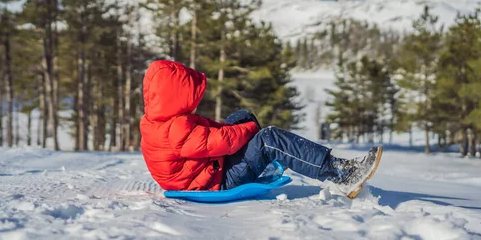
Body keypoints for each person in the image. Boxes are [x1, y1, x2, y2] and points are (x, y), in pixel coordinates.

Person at [140, 60, 382, 198]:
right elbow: (222, 141)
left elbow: (209, 132)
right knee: (268, 137)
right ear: (175, 95)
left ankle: (266, 157)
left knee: (241, 116)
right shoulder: (176, 126)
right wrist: (251, 129)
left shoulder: (157, 121)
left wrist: (242, 125)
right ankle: (340, 173)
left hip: (206, 172)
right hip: (217, 181)